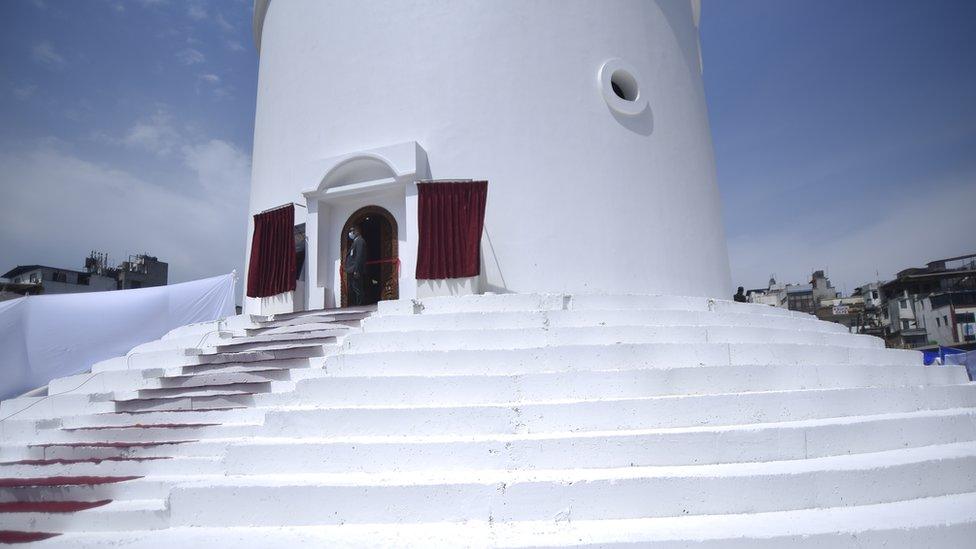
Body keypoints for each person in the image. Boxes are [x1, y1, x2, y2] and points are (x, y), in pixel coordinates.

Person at [344, 226, 367, 306]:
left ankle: (360, 305)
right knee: (353, 288)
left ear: (357, 231)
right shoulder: (355, 242)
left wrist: (356, 270)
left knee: (357, 289)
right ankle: (356, 304)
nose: (350, 233)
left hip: (355, 270)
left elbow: (359, 257)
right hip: (352, 269)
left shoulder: (360, 241)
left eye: (352, 231)